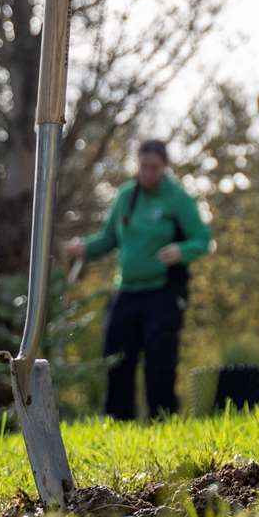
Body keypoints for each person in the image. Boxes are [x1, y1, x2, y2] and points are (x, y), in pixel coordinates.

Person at [62, 138, 211, 420]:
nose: (148, 173)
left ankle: (163, 421)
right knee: (117, 360)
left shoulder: (178, 199)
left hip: (164, 292)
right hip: (126, 291)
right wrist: (85, 248)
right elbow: (108, 239)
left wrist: (182, 250)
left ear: (164, 167)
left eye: (154, 167)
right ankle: (118, 423)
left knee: (159, 364)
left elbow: (203, 240)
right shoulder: (126, 196)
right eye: (143, 166)